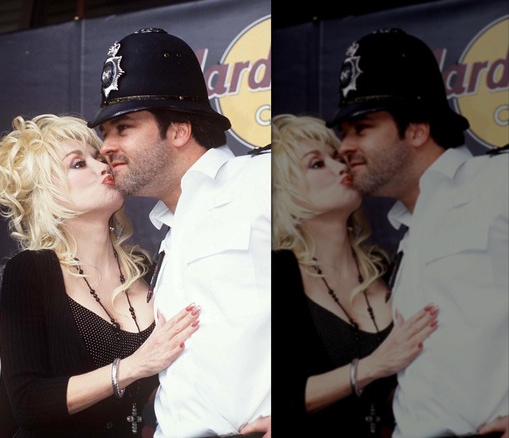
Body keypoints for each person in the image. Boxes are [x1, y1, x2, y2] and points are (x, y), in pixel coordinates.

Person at [88, 28, 271, 437]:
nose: (106, 147)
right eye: (105, 133)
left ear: (179, 130)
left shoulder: (260, 180)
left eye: (123, 128)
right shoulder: (170, 234)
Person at [329, 28, 509, 438]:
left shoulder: (498, 182)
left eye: (362, 128)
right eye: (343, 133)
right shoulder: (409, 231)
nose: (344, 147)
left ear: (417, 129)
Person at [0, 114, 201, 437]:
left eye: (99, 158)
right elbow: (28, 402)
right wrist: (133, 367)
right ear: (48, 193)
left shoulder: (146, 267)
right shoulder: (32, 271)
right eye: (78, 164)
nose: (104, 167)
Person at [270, 113, 439, 436]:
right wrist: (374, 366)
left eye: (336, 158)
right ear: (285, 191)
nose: (341, 167)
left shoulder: (388, 267)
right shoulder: (279, 275)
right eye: (317, 164)